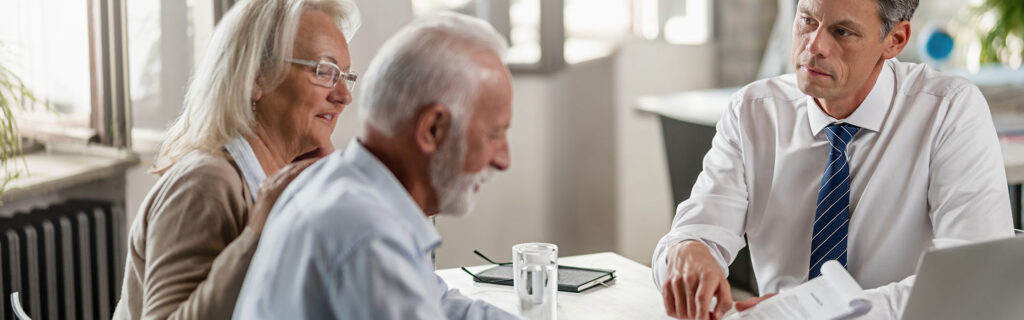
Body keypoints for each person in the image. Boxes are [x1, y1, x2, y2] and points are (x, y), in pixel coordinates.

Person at [652, 0, 1015, 319]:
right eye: (807, 20)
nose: (813, 46)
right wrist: (688, 251)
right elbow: (693, 232)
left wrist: (824, 313)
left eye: (842, 32)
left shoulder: (948, 111)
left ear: (895, 40)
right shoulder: (754, 111)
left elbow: (975, 279)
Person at [232, 12, 519, 320]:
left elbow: (440, 305)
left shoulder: (342, 184)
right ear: (432, 129)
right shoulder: (369, 235)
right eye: (493, 135)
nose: (503, 160)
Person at [114, 0, 360, 319]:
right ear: (256, 77)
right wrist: (259, 235)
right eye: (325, 72)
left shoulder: (289, 176)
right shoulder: (206, 183)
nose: (343, 96)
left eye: (344, 76)